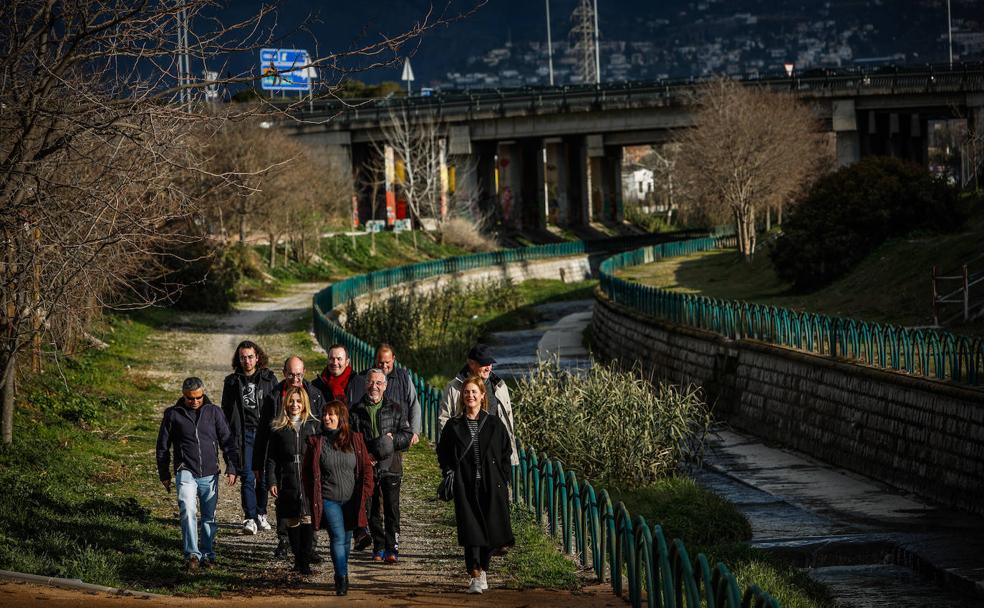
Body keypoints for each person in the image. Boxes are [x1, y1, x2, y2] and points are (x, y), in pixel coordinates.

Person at [437, 375, 514, 594]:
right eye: (466, 392)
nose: (470, 396)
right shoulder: (454, 426)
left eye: (474, 392)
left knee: (490, 532)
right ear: (462, 396)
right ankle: (475, 573)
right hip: (465, 485)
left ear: (482, 396)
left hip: (491, 485)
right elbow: (443, 453)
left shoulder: (494, 423)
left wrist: (502, 477)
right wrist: (449, 471)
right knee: (471, 532)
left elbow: (505, 452)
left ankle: (483, 570)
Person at [156, 377, 239, 572]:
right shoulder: (173, 415)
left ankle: (208, 553)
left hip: (210, 473)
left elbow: (227, 441)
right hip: (185, 470)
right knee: (187, 508)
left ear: (204, 393)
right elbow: (162, 447)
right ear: (183, 395)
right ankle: (192, 554)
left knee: (209, 517)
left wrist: (232, 467)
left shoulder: (214, 412)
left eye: (198, 397)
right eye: (190, 398)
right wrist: (164, 473)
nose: (194, 401)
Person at [257, 355, 327, 559]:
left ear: (303, 372)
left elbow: (321, 433)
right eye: (291, 374)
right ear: (284, 373)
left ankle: (310, 547)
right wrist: (259, 466)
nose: (295, 378)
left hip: (306, 462)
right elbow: (263, 434)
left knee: (309, 505)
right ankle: (284, 541)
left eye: (298, 374)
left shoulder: (314, 395)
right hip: (282, 458)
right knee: (284, 503)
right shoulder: (274, 396)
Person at [303, 400, 374, 595]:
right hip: (329, 498)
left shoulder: (355, 440)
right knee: (337, 536)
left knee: (346, 540)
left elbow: (366, 469)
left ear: (341, 417)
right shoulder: (317, 443)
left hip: (352, 499)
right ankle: (341, 576)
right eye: (325, 414)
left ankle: (342, 571)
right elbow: (307, 474)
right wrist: (313, 496)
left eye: (331, 414)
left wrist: (366, 492)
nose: (326, 417)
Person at [349, 368, 412, 564]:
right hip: (368, 466)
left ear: (385, 386)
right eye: (370, 382)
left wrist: (392, 441)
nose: (374, 386)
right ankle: (378, 546)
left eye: (378, 383)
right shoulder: (355, 411)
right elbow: (351, 439)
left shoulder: (396, 408)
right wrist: (365, 457)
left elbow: (407, 436)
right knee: (372, 508)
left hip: (391, 466)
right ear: (365, 384)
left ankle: (392, 547)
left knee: (392, 508)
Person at [221, 339, 279, 535]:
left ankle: (261, 513)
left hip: (264, 433)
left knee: (262, 477)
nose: (247, 361)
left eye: (250, 357)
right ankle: (249, 518)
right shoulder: (231, 381)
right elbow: (225, 411)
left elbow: (277, 405)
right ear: (238, 359)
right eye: (243, 357)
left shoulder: (269, 378)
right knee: (246, 476)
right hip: (243, 434)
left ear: (257, 357)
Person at [264, 386, 321, 575]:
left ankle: (304, 560)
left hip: (309, 482)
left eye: (298, 401)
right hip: (288, 481)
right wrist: (272, 481)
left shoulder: (313, 426)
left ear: (304, 403)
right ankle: (297, 558)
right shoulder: (278, 429)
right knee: (292, 521)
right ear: (286, 403)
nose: (295, 405)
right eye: (292, 401)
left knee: (308, 520)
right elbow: (271, 458)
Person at [438, 344, 518, 467]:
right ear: (471, 364)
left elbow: (508, 419)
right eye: (484, 364)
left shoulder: (500, 386)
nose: (488, 368)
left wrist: (507, 457)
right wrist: (450, 455)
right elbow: (444, 420)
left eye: (490, 363)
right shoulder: (454, 388)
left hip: (494, 452)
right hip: (466, 453)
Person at [347, 344, 422, 445]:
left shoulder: (404, 378)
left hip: (398, 434)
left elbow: (414, 404)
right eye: (381, 362)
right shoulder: (364, 378)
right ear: (375, 360)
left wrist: (414, 431)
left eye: (387, 362)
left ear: (393, 359)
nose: (384, 366)